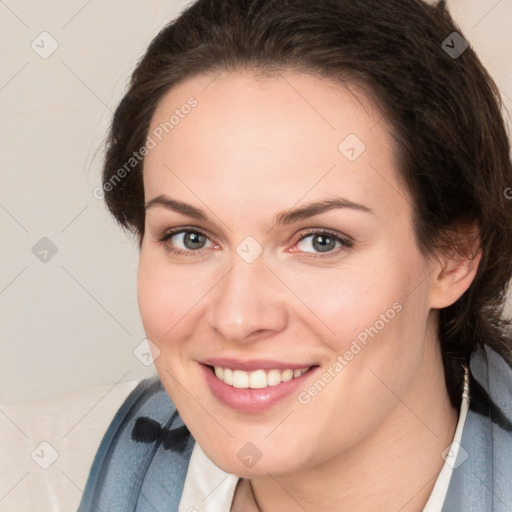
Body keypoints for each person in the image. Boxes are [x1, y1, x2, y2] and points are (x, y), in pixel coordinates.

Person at [78, 0, 512, 510]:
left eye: (320, 241)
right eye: (191, 238)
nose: (238, 317)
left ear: (453, 255)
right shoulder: (30, 476)